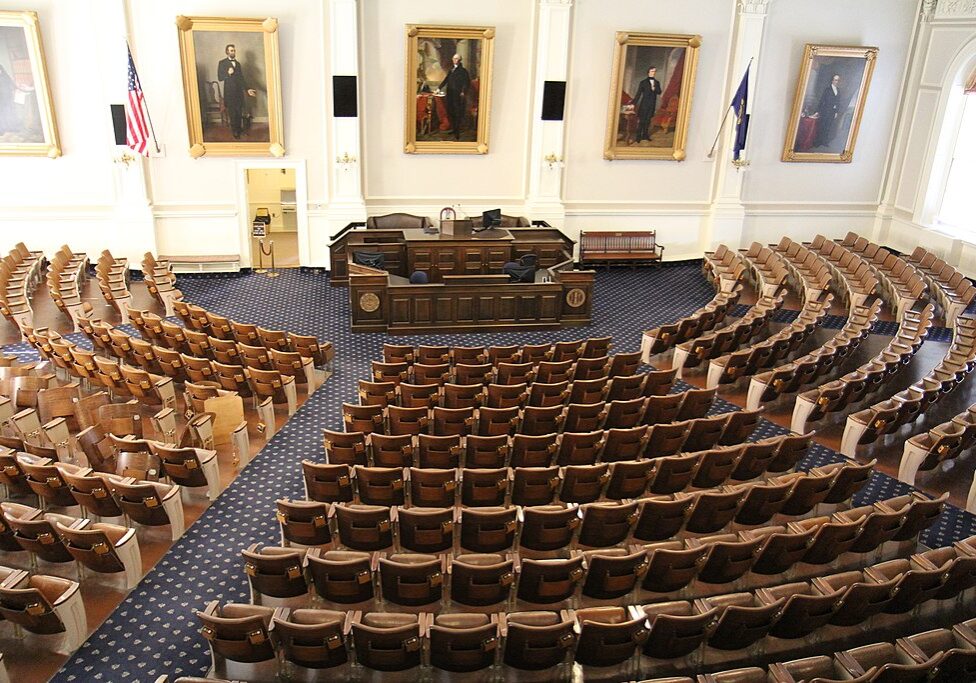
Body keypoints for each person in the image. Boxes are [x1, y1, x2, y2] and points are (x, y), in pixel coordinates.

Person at [217, 44, 257, 139]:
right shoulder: (222, 63)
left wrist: (247, 89)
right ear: (227, 52)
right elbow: (220, 78)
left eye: (234, 50)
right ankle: (235, 131)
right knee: (232, 113)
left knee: (239, 112)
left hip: (239, 92)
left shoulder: (238, 64)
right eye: (231, 51)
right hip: (229, 93)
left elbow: (241, 79)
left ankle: (239, 129)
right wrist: (228, 73)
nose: (233, 52)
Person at [438, 53, 470, 140]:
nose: (455, 60)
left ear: (460, 60)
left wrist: (463, 91)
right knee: (450, 111)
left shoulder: (463, 71)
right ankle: (453, 128)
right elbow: (446, 80)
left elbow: (466, 82)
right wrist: (439, 88)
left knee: (457, 112)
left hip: (457, 95)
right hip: (450, 94)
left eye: (456, 59)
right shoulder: (451, 70)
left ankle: (457, 132)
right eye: (454, 58)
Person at [632, 66, 662, 143]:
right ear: (648, 72)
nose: (653, 73)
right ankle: (638, 137)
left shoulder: (657, 82)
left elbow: (659, 92)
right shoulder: (643, 82)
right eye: (652, 71)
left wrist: (654, 89)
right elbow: (638, 94)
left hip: (652, 105)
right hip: (644, 105)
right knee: (642, 121)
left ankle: (645, 135)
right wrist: (633, 103)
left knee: (648, 121)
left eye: (654, 71)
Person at [813, 73, 843, 149]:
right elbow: (822, 100)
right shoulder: (827, 89)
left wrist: (836, 112)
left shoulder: (838, 90)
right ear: (832, 80)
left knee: (828, 127)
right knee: (822, 126)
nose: (837, 81)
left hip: (832, 112)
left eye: (838, 80)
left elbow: (838, 102)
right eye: (835, 80)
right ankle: (817, 142)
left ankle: (824, 141)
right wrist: (818, 111)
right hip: (825, 111)